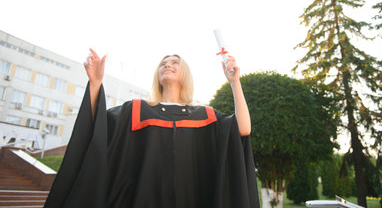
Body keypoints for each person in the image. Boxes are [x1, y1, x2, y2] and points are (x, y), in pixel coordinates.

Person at [44, 49, 260, 208]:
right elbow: (95, 131)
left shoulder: (206, 116)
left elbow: (243, 129)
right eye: (163, 63)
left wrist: (234, 82)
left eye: (175, 62)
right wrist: (95, 83)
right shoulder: (136, 111)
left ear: (185, 74)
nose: (168, 65)